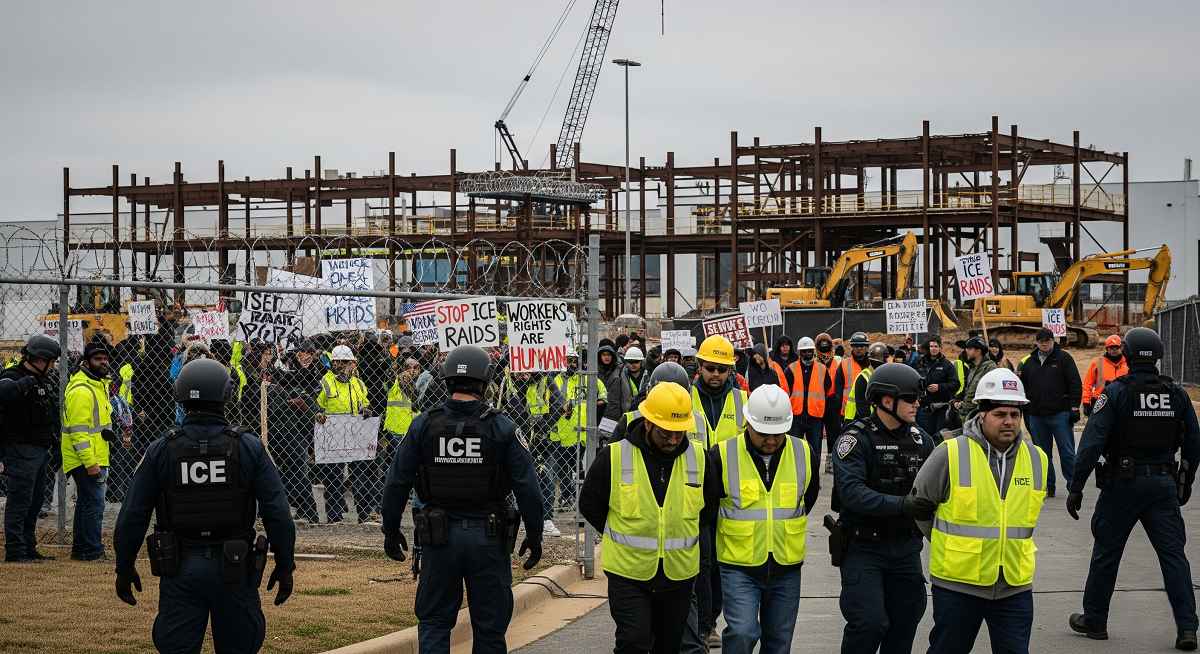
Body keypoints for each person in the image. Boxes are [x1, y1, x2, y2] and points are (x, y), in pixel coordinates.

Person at [112, 358, 296, 653]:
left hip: (180, 566)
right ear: (226, 396)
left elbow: (133, 513)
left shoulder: (163, 448)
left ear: (180, 397)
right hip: (235, 566)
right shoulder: (247, 446)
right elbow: (278, 514)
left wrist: (124, 565)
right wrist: (285, 565)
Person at [381, 344, 544, 653]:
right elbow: (528, 487)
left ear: (446, 380)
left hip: (439, 539)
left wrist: (390, 529)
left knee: (434, 623)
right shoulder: (502, 427)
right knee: (490, 627)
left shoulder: (424, 425)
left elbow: (396, 481)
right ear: (485, 382)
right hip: (489, 537)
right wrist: (534, 534)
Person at [1065, 327, 1199, 651]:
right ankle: (1187, 628)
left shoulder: (1117, 392)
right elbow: (1194, 442)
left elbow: (1092, 441)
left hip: (1122, 485)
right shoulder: (1176, 393)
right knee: (1173, 557)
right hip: (1163, 484)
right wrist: (1185, 479)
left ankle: (1095, 620)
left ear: (1125, 353)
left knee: (1106, 554)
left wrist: (1076, 485)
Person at [912, 368, 1049, 653]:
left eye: (1015, 414)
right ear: (982, 414)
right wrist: (951, 545)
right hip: (958, 584)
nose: (1009, 422)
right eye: (1000, 414)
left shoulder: (1037, 459)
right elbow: (920, 507)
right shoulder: (951, 452)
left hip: (1015, 584)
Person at [580, 382, 711, 654]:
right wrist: (622, 532)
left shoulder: (699, 458)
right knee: (634, 642)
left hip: (679, 574)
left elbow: (708, 508)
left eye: (679, 433)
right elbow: (590, 504)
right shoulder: (615, 456)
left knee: (669, 646)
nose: (674, 440)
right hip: (628, 574)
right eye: (666, 433)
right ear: (649, 423)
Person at [831, 362, 935, 654]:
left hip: (905, 548)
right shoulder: (855, 439)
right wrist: (905, 505)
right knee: (869, 622)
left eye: (918, 398)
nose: (917, 404)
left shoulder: (921, 440)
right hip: (864, 548)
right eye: (911, 398)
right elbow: (853, 494)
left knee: (906, 621)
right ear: (887, 400)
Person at [707, 384, 818, 654]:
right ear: (747, 424)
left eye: (778, 434)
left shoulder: (804, 454)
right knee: (743, 632)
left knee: (779, 641)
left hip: (786, 566)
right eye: (763, 434)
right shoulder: (721, 455)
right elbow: (708, 510)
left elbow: (808, 498)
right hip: (738, 565)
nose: (771, 441)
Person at [0, 335, 61, 562]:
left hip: (40, 450)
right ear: (38, 359)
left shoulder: (43, 380)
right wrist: (20, 386)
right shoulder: (13, 377)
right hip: (20, 451)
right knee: (20, 502)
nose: (53, 366)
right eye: (51, 361)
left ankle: (29, 546)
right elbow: (3, 393)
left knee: (35, 503)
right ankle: (15, 550)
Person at [62, 341, 116, 561]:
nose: (103, 362)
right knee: (94, 505)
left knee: (87, 503)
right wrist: (90, 463)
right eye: (97, 359)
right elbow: (78, 432)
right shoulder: (82, 390)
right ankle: (92, 550)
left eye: (105, 358)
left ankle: (82, 549)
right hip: (87, 459)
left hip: (94, 456)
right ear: (86, 362)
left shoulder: (95, 385)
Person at [314, 344, 376, 523]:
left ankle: (364, 514)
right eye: (337, 362)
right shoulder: (325, 382)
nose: (340, 366)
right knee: (334, 476)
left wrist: (365, 409)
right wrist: (318, 414)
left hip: (355, 435)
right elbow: (317, 405)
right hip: (334, 436)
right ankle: (334, 516)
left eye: (344, 362)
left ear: (353, 364)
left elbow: (365, 402)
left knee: (361, 475)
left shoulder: (358, 384)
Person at [1018, 328, 1082, 498]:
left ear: (1053, 341)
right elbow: (1022, 388)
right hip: (1037, 416)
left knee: (1067, 452)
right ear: (1036, 342)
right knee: (1042, 454)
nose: (1044, 343)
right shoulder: (1029, 363)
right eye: (1041, 340)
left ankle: (1073, 487)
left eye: (1047, 340)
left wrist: (1074, 407)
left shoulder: (1064, 359)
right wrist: (1025, 411)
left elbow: (1075, 383)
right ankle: (1048, 486)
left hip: (1060, 414)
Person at [503, 371, 565, 536]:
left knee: (543, 477)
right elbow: (500, 402)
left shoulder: (545, 380)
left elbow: (559, 404)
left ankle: (545, 519)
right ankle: (518, 515)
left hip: (539, 438)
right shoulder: (508, 377)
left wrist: (543, 426)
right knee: (513, 476)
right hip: (514, 436)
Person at [272, 341, 322, 524]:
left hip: (303, 429)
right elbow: (281, 391)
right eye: (304, 352)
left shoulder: (315, 373)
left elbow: (313, 399)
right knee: (292, 471)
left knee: (298, 471)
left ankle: (309, 511)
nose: (307, 356)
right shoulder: (286, 370)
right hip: (287, 428)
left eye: (310, 352)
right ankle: (304, 509)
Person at [551, 352, 608, 511]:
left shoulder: (586, 379)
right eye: (568, 361)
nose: (572, 364)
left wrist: (597, 403)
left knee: (579, 466)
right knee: (563, 467)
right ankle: (567, 495)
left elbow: (603, 394)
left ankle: (581, 497)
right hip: (562, 431)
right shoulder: (556, 380)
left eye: (574, 361)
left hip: (581, 431)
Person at [787, 336, 834, 465]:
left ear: (813, 351)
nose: (807, 353)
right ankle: (795, 478)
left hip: (815, 417)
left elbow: (828, 390)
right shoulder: (791, 369)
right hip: (796, 417)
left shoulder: (822, 369)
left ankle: (814, 481)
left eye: (809, 351)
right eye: (804, 351)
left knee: (815, 452)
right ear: (799, 352)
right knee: (794, 451)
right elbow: (785, 391)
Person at [915, 336, 959, 440]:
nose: (933, 348)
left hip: (941, 409)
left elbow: (955, 384)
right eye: (931, 346)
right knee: (924, 437)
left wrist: (939, 387)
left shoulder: (947, 365)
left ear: (940, 348)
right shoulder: (920, 363)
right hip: (924, 407)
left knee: (939, 438)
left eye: (936, 346)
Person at [1081, 334, 1127, 416]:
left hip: (1123, 402)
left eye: (1116, 347)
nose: (1114, 350)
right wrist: (1086, 403)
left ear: (1121, 348)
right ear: (1106, 349)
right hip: (1101, 401)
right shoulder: (1097, 363)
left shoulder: (1128, 363)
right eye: (1111, 348)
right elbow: (1087, 384)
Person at [954, 336, 997, 424]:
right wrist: (959, 401)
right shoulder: (972, 368)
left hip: (979, 416)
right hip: (966, 415)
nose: (966, 351)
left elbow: (990, 393)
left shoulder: (990, 367)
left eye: (969, 348)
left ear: (978, 351)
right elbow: (968, 390)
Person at [843, 342, 890, 422]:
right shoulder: (864, 377)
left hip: (869, 420)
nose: (887, 361)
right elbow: (862, 407)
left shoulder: (878, 376)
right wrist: (872, 424)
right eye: (885, 358)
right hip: (855, 419)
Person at [833, 332, 871, 428]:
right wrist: (839, 414)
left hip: (869, 412)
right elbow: (838, 391)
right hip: (849, 413)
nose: (859, 349)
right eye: (856, 346)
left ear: (867, 347)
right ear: (851, 347)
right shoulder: (844, 364)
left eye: (862, 346)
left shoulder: (873, 365)